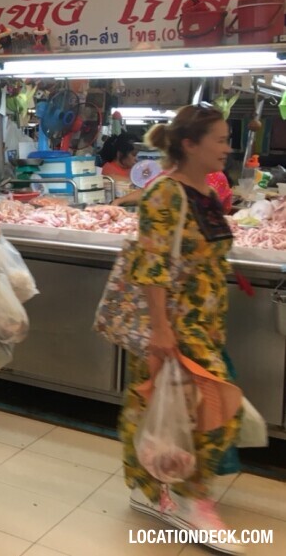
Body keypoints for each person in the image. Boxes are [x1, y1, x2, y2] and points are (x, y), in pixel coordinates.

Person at [120, 104, 243, 553]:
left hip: (204, 321)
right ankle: (194, 501)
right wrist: (160, 329)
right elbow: (150, 264)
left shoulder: (206, 191)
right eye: (220, 140)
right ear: (190, 144)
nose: (228, 148)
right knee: (216, 409)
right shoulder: (164, 193)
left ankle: (150, 489)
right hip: (175, 321)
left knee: (162, 407)